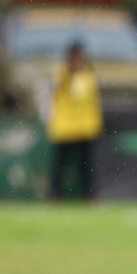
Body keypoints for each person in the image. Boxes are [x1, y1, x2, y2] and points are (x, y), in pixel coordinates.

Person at [46, 42, 103, 201]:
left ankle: (89, 196)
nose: (78, 61)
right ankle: (55, 196)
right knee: (59, 165)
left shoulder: (88, 76)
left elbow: (93, 102)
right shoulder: (61, 74)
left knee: (86, 166)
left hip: (85, 127)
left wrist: (95, 124)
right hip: (65, 127)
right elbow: (52, 92)